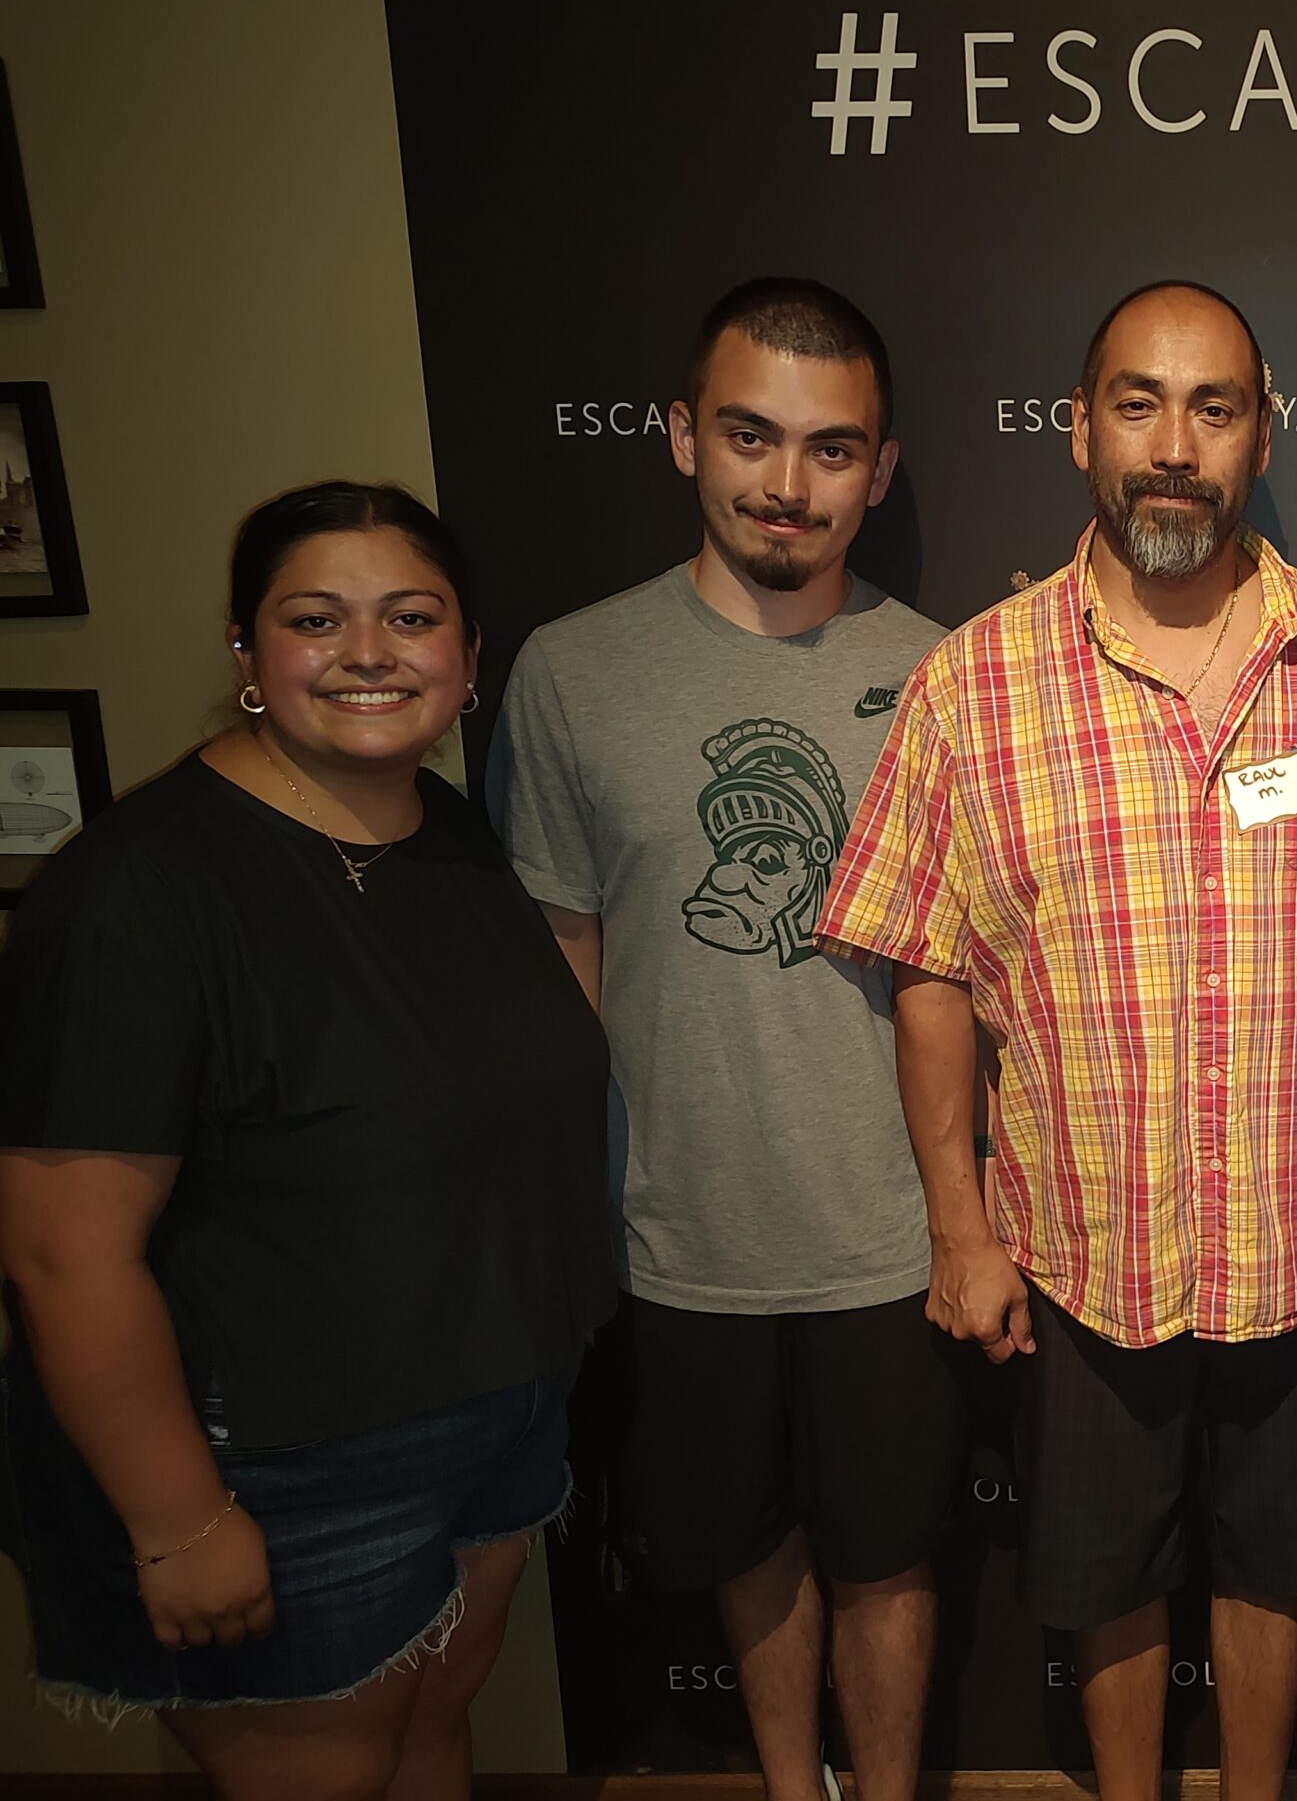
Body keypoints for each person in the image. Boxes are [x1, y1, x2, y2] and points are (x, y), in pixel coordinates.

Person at [817, 279, 1297, 1801]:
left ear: (1261, 434)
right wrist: (960, 1228)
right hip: (1087, 1241)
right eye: (1139, 404)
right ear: (1080, 428)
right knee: (1102, 1575)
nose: (1175, 447)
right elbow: (926, 968)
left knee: (1279, 1566)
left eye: (1214, 409)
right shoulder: (975, 680)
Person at [0, 483, 613, 1801]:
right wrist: (177, 1521)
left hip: (490, 1409)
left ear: (467, 654)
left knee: (433, 1732)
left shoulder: (449, 834)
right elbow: (63, 1255)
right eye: (317, 619)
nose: (369, 653)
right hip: (284, 1458)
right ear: (248, 651)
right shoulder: (136, 894)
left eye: (412, 618)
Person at [488, 278, 961, 1801]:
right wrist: (576, 1218)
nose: (787, 483)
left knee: (890, 1553)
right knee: (744, 1547)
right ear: (685, 435)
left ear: (879, 470)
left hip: (896, 1234)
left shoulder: (952, 674)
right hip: (679, 1235)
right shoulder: (571, 673)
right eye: (751, 435)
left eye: (832, 448)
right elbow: (567, 958)